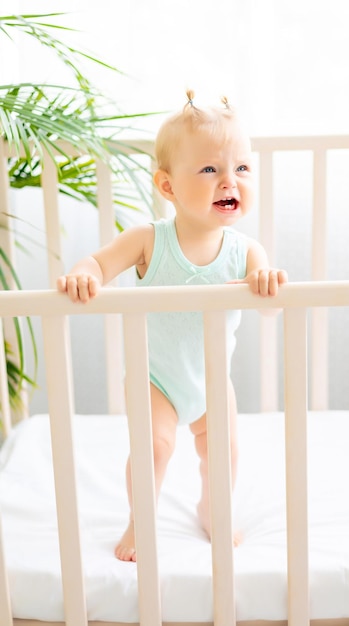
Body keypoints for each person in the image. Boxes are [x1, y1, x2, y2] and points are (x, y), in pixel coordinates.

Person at [57, 91, 288, 561]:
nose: (230, 181)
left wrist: (266, 285)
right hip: (155, 378)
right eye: (210, 170)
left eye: (242, 168)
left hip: (210, 383)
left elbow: (270, 311)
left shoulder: (247, 253)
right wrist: (85, 274)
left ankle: (212, 509)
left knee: (223, 453)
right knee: (155, 449)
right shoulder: (149, 240)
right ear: (167, 187)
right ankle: (140, 520)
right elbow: (97, 264)